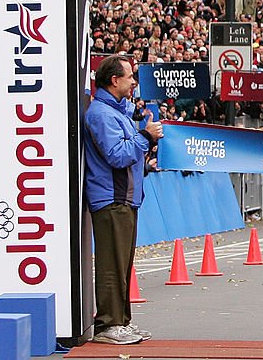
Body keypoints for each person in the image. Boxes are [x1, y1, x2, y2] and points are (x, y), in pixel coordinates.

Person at [84, 55, 163, 345]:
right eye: (129, 76)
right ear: (114, 80)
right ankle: (108, 324)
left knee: (122, 264)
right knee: (111, 264)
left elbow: (126, 153)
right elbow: (117, 155)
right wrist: (145, 136)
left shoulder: (115, 112)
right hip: (111, 197)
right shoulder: (101, 114)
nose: (133, 81)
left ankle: (121, 321)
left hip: (124, 197)